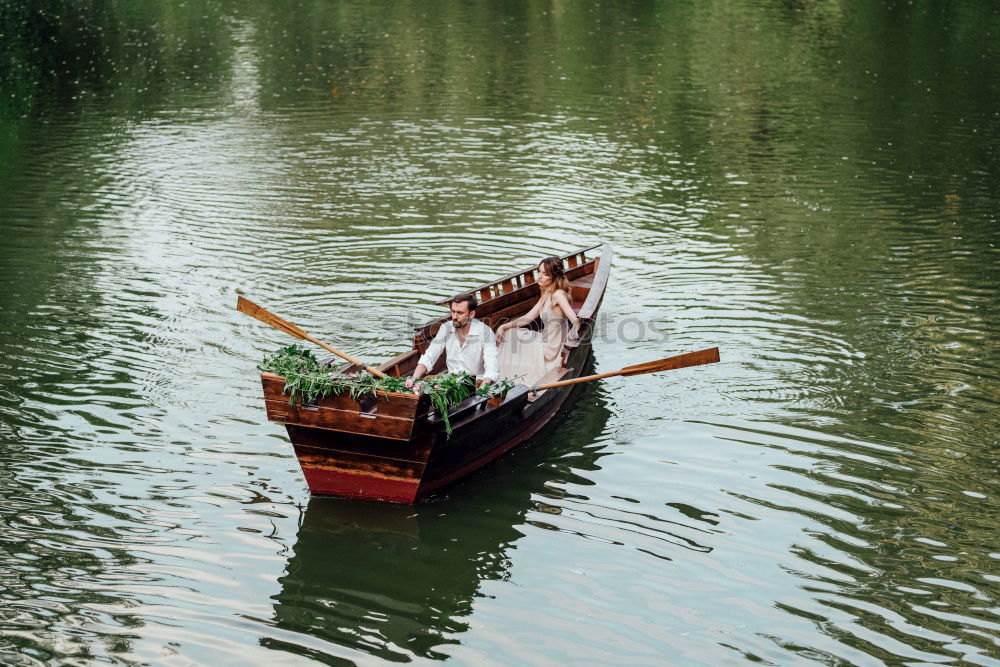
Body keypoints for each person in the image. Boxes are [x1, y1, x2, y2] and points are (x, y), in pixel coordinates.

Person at [496, 256, 581, 388]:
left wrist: (573, 330)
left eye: (545, 274)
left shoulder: (558, 295)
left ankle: (507, 379)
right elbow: (529, 317)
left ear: (554, 276)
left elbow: (575, 320)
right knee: (510, 333)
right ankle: (501, 377)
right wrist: (504, 326)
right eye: (539, 272)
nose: (540, 276)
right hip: (544, 339)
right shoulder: (546, 293)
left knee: (511, 339)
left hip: (551, 348)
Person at [413, 294, 499, 386]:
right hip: (450, 383)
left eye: (460, 313)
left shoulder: (485, 332)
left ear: (471, 314)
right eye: (453, 312)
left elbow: (491, 368)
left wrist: (482, 391)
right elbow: (429, 356)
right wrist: (413, 379)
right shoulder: (445, 328)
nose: (454, 317)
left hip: (476, 384)